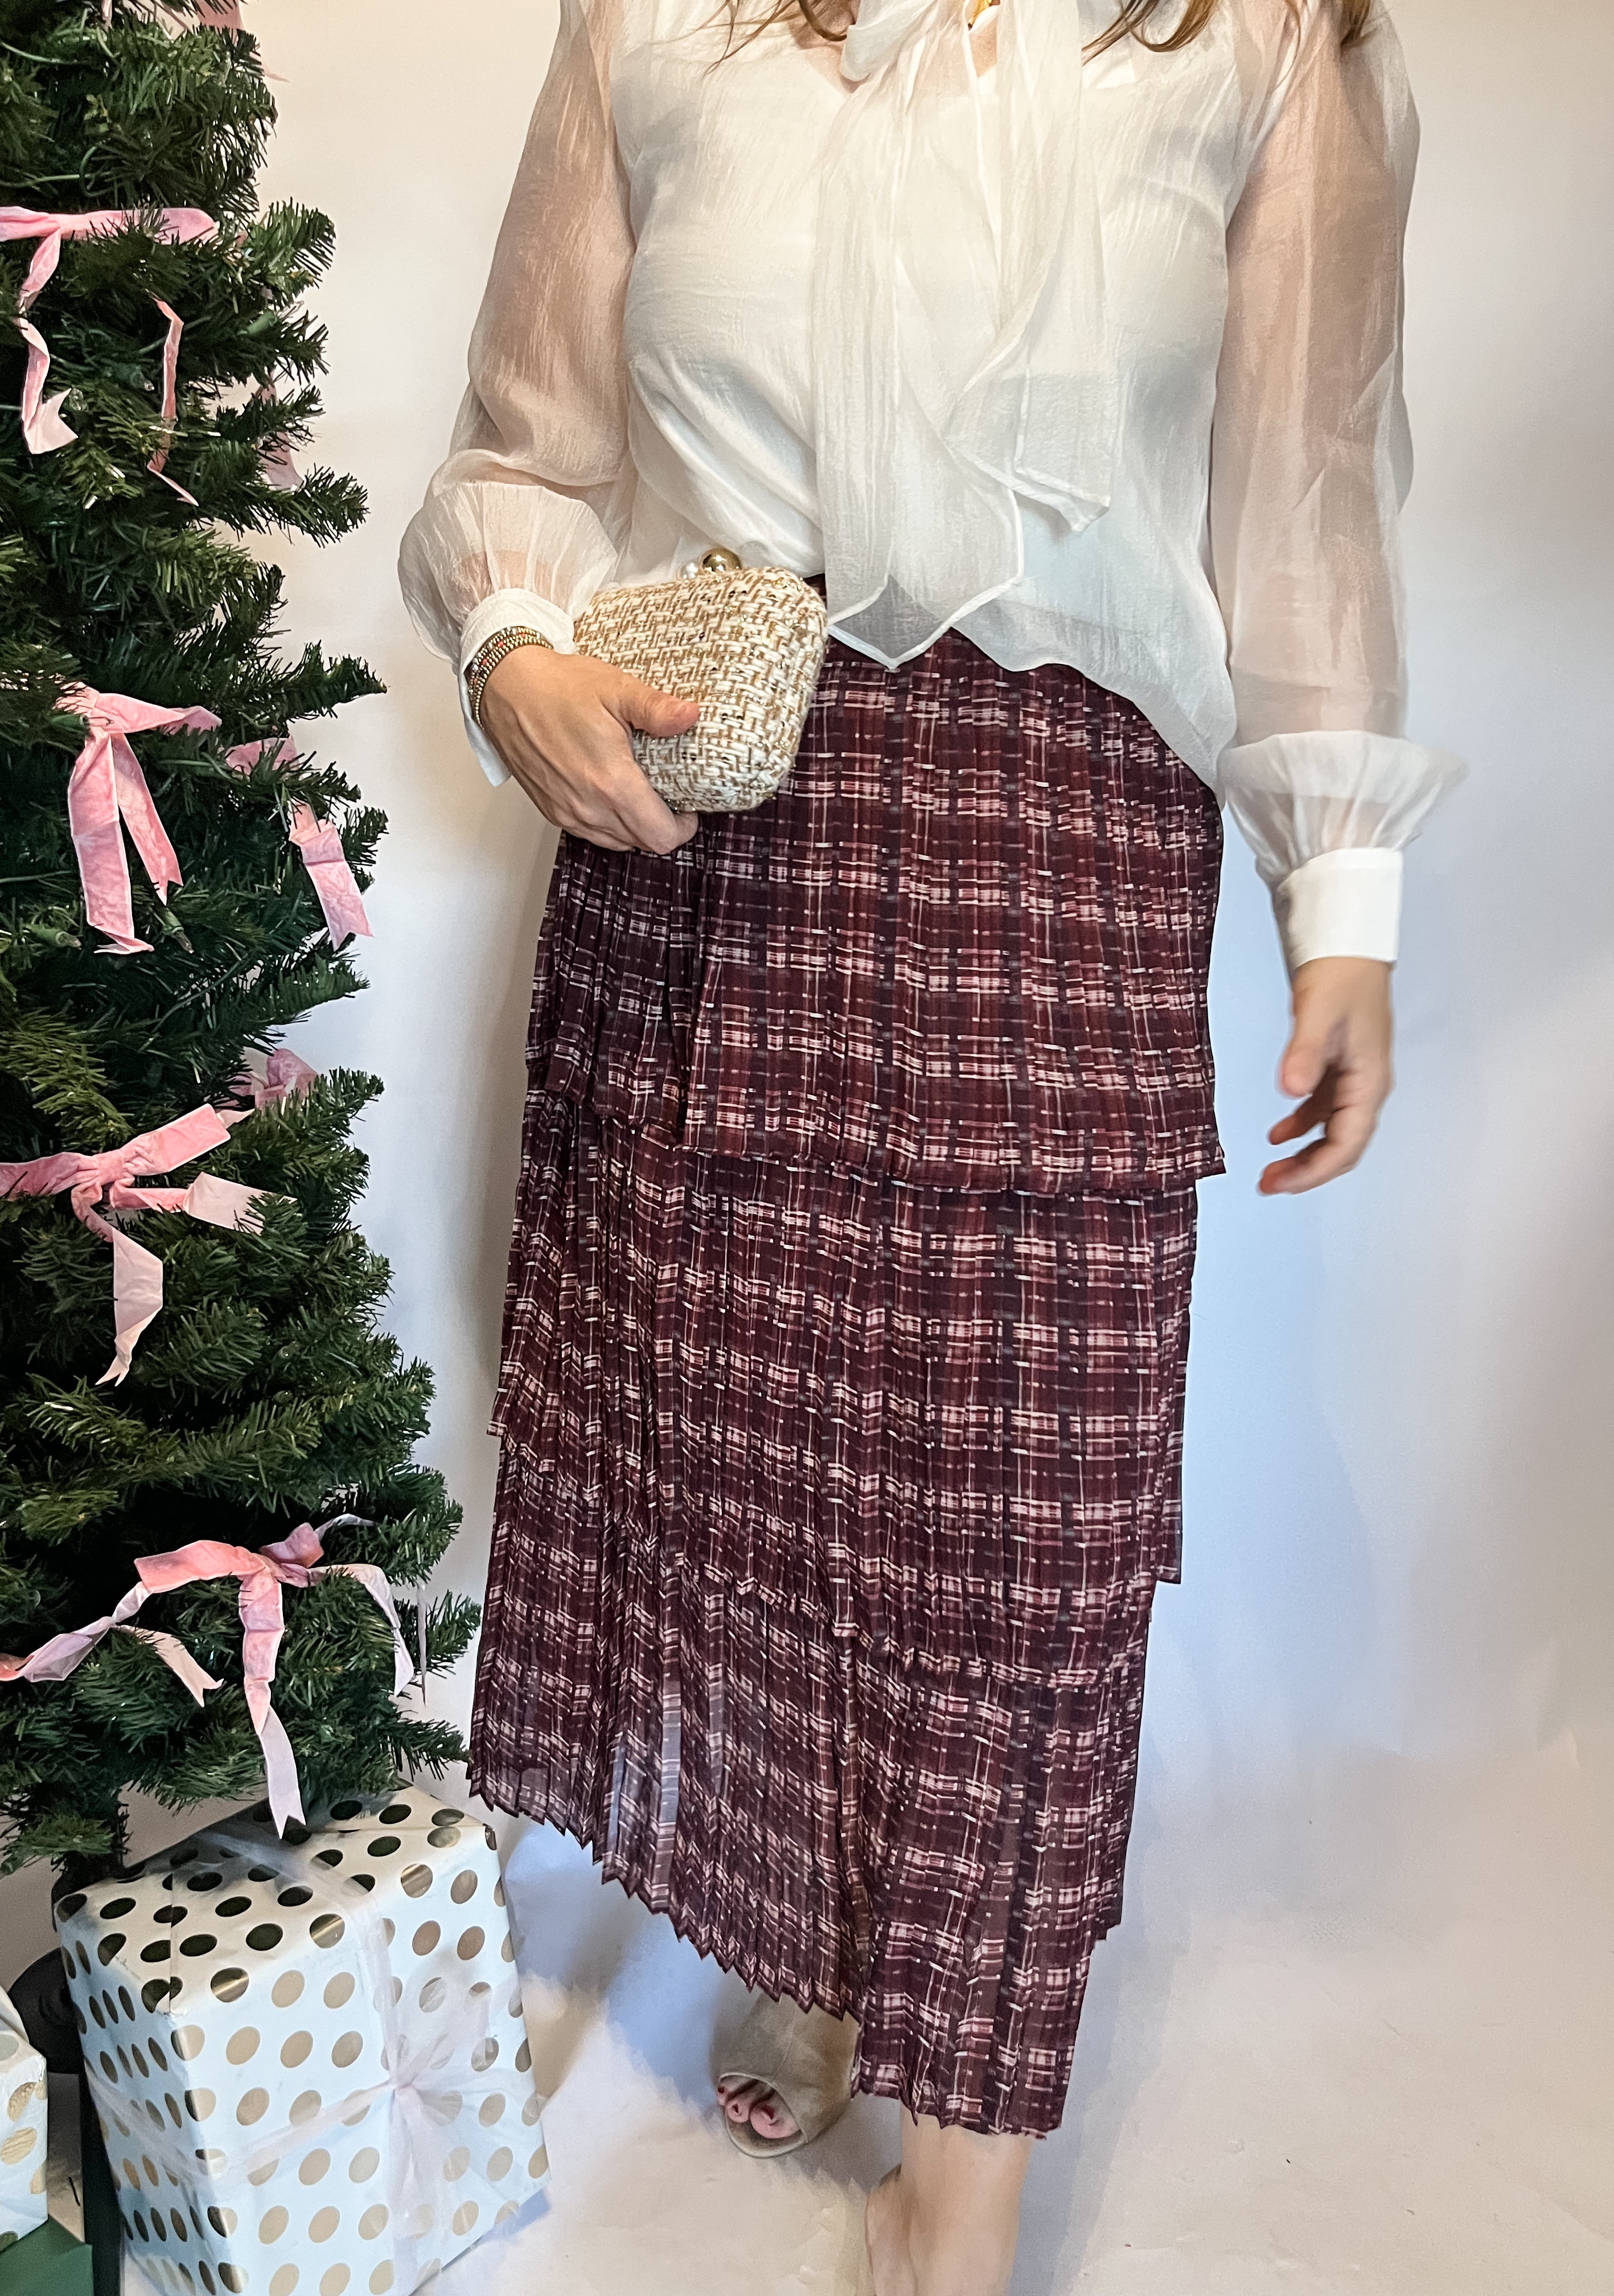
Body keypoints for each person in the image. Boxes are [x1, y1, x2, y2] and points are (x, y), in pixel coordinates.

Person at [400, 0, 1462, 2287]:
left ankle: (951, 2212)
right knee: (735, 1459)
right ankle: (814, 1936)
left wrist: (1345, 900)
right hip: (710, 810)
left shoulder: (1259, 34)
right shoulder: (659, 19)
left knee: (1023, 1538)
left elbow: (1296, 487)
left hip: (1063, 830)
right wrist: (513, 646)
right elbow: (523, 452)